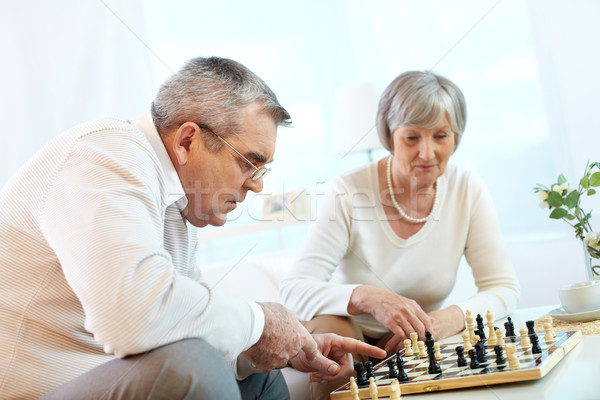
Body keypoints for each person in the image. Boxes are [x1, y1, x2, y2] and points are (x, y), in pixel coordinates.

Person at [0, 56, 386, 400]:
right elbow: (132, 316)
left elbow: (180, 322)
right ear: (188, 140)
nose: (257, 184)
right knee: (193, 364)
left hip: (101, 378)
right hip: (35, 389)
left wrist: (283, 345)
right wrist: (260, 322)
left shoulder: (178, 207)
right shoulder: (104, 155)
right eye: (248, 163)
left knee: (257, 374)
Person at [279, 70, 521, 399]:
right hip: (349, 334)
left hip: (417, 339)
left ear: (456, 137)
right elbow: (293, 289)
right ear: (389, 135)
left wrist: (447, 319)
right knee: (337, 350)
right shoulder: (349, 191)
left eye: (441, 136)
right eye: (412, 138)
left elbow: (503, 287)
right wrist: (367, 296)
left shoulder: (468, 189)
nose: (427, 152)